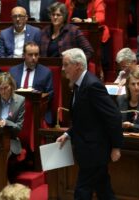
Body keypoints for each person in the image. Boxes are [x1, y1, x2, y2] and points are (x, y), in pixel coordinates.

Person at [56, 48, 123, 199]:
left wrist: (116, 146)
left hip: (95, 150)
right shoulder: (78, 85)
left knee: (82, 191)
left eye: (66, 65)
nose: (63, 69)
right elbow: (85, 119)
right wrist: (68, 134)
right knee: (103, 190)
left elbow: (113, 116)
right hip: (88, 149)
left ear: (78, 65)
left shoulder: (92, 85)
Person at [9, 41, 54, 124]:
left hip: (37, 111)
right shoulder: (13, 71)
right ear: (24, 55)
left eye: (36, 55)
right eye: (30, 55)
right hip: (16, 111)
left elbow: (49, 95)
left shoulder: (46, 72)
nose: (33, 58)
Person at [65, 0, 111, 71]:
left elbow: (100, 18)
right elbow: (64, 17)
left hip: (94, 34)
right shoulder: (69, 1)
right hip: (72, 34)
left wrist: (83, 21)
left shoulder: (97, 1)